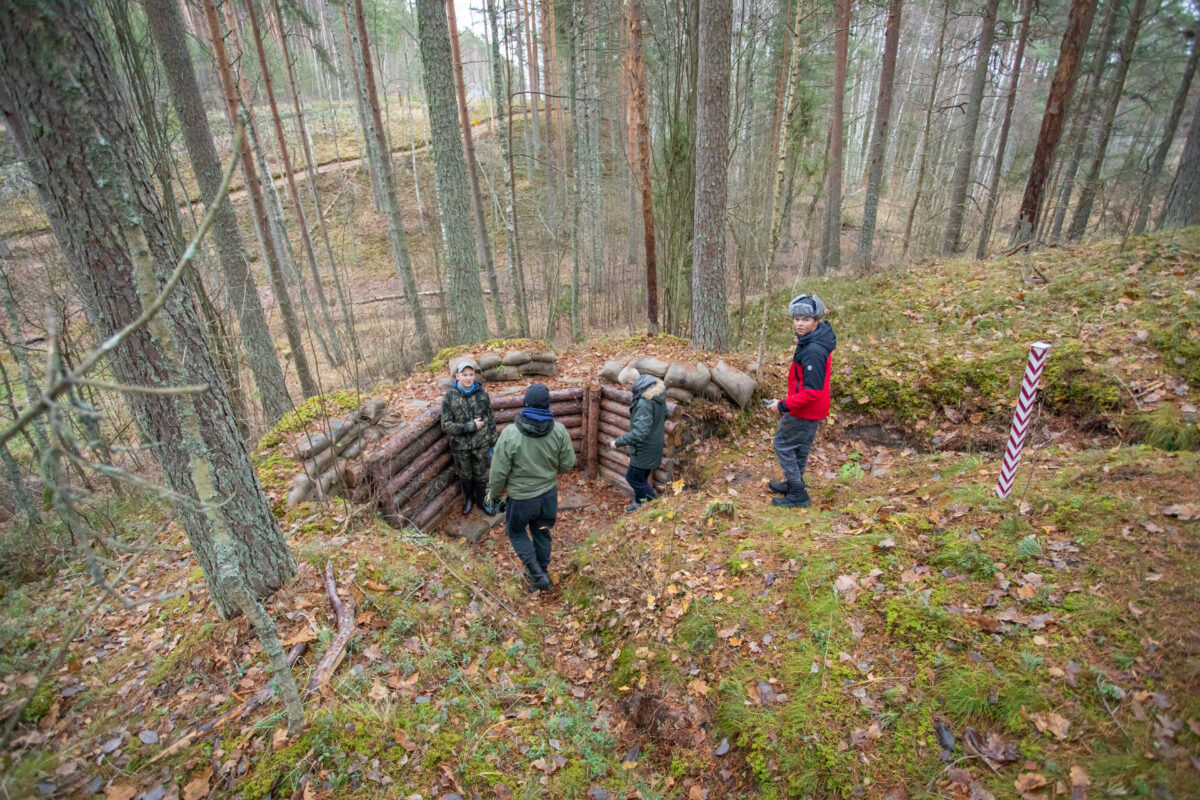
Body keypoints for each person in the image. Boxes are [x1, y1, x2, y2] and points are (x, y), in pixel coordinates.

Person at [487, 383, 576, 592]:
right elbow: (567, 464)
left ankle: (538, 575)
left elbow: (498, 472)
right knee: (542, 531)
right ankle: (541, 570)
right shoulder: (559, 430)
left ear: (525, 403)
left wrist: (495, 494)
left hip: (521, 500)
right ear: (547, 405)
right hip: (548, 496)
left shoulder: (510, 434)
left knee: (516, 531)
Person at [765, 293, 836, 508]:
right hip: (812, 408)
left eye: (805, 320)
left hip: (805, 409)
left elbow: (811, 391)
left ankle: (798, 493)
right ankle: (794, 483)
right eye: (796, 319)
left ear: (816, 321)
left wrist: (783, 405)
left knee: (782, 444)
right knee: (800, 447)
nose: (800, 323)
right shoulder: (813, 340)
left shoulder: (813, 350)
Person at [440, 359, 497, 516]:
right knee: (465, 475)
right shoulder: (449, 398)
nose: (468, 378)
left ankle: (481, 501)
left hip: (481, 444)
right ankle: (469, 501)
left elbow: (491, 419)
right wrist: (469, 426)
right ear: (457, 376)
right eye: (464, 375)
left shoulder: (482, 395)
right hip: (461, 447)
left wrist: (493, 442)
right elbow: (446, 425)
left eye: (471, 374)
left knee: (480, 474)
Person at [611, 366, 667, 513]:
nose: (626, 389)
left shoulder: (644, 401)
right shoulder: (656, 392)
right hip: (654, 444)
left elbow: (640, 432)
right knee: (641, 478)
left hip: (645, 448)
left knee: (633, 478)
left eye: (626, 386)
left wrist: (618, 441)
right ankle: (638, 503)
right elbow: (664, 414)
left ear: (631, 382)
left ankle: (657, 506)